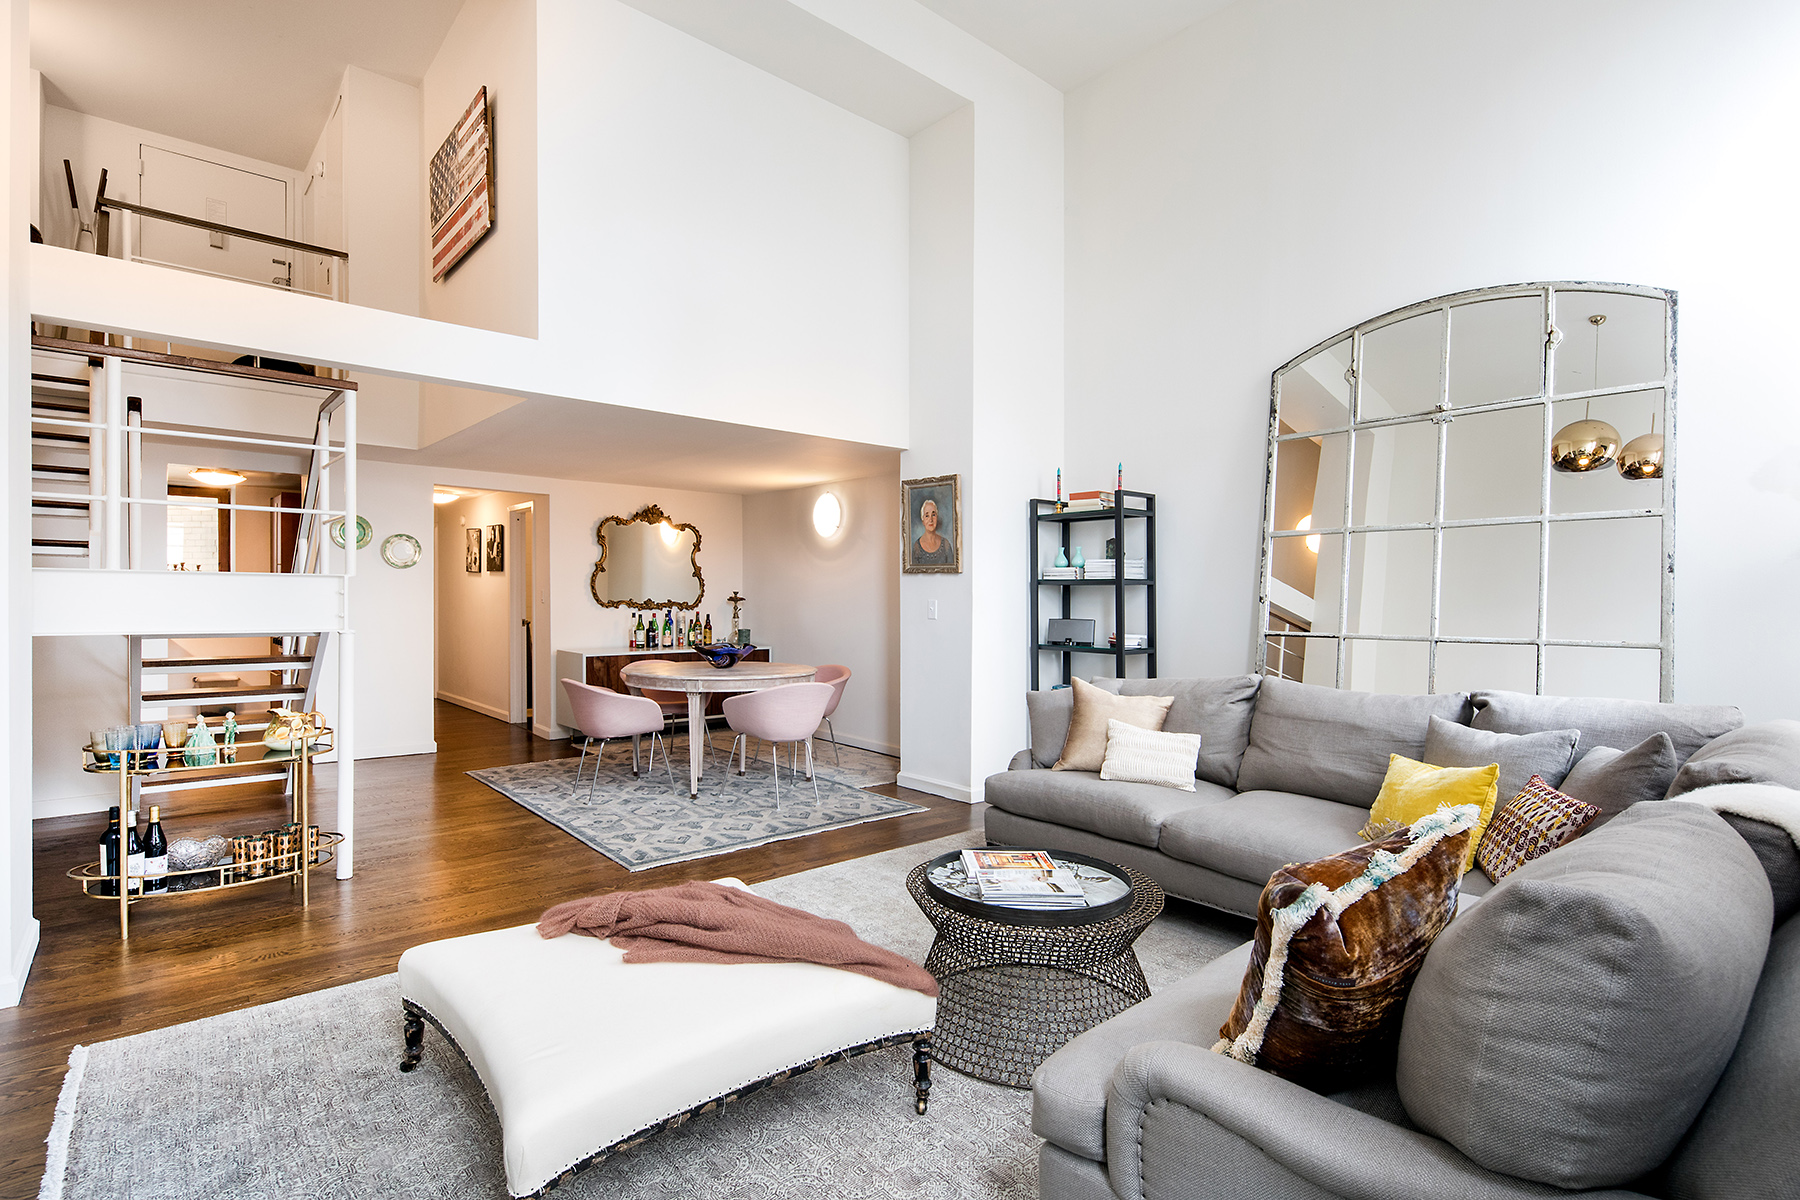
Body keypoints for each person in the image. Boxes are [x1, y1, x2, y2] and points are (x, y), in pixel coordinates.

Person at [911, 497, 954, 566]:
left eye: (933, 515)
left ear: (937, 517)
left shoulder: (946, 545)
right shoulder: (917, 547)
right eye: (927, 516)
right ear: (923, 521)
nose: (930, 519)